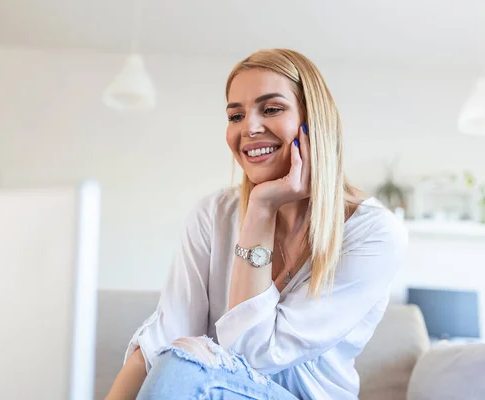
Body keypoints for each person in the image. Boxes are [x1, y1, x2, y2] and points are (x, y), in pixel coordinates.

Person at [105, 48, 407, 400]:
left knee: (185, 364)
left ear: (313, 125)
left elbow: (254, 355)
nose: (248, 127)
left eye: (271, 109)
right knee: (177, 358)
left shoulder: (374, 234)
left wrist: (262, 208)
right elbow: (163, 341)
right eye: (235, 115)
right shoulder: (213, 214)